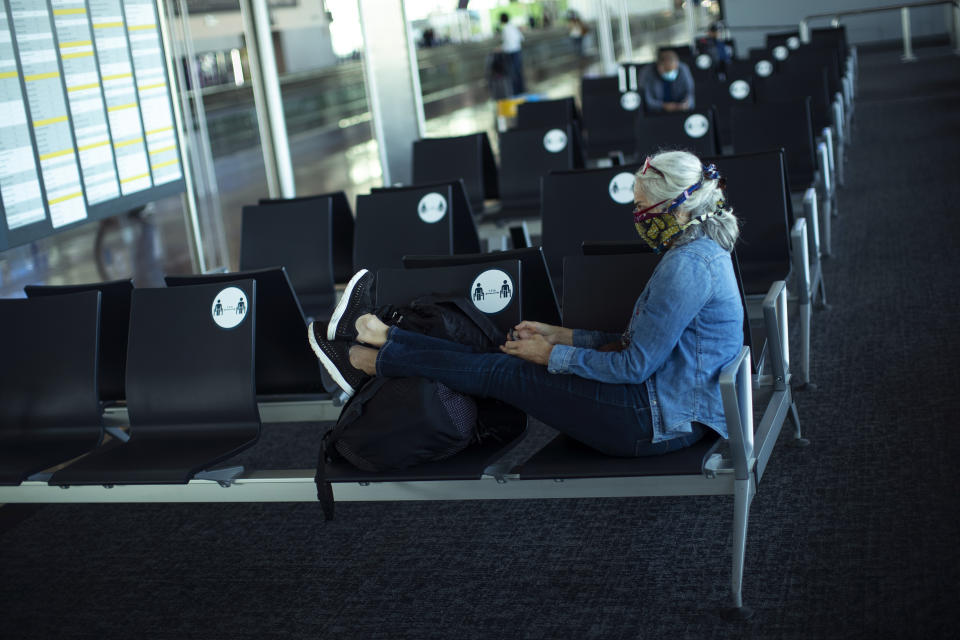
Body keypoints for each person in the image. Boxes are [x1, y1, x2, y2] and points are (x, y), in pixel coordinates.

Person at [309, 151, 743, 458]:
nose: (638, 218)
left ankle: (377, 356)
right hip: (665, 408)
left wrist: (552, 354)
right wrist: (563, 336)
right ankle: (382, 343)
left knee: (504, 370)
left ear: (677, 207)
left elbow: (634, 366)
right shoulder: (698, 250)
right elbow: (640, 344)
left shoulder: (687, 266)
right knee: (502, 356)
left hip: (652, 423)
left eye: (643, 208)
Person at [499, 12, 525, 96]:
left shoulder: (505, 29)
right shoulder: (513, 27)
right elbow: (521, 38)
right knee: (518, 72)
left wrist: (500, 48)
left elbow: (507, 44)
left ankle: (516, 92)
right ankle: (522, 91)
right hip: (518, 51)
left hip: (510, 53)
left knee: (513, 74)